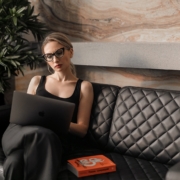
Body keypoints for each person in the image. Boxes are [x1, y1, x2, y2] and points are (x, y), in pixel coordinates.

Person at [1, 32, 94, 180]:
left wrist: (53, 120)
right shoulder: (37, 81)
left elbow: (82, 129)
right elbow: (24, 114)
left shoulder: (84, 86)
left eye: (59, 52)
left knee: (14, 161)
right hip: (24, 133)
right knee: (36, 133)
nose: (55, 59)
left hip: (53, 141)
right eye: (49, 56)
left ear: (70, 51)